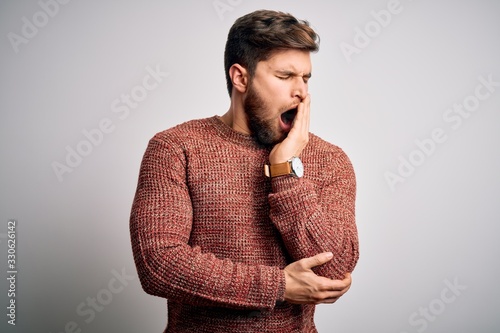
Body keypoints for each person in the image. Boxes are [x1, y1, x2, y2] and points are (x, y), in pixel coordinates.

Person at [129, 9, 359, 333]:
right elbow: (160, 263)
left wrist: (285, 171)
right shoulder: (175, 148)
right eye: (285, 76)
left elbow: (334, 271)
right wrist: (277, 285)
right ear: (240, 77)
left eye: (306, 78)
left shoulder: (330, 160)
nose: (302, 92)